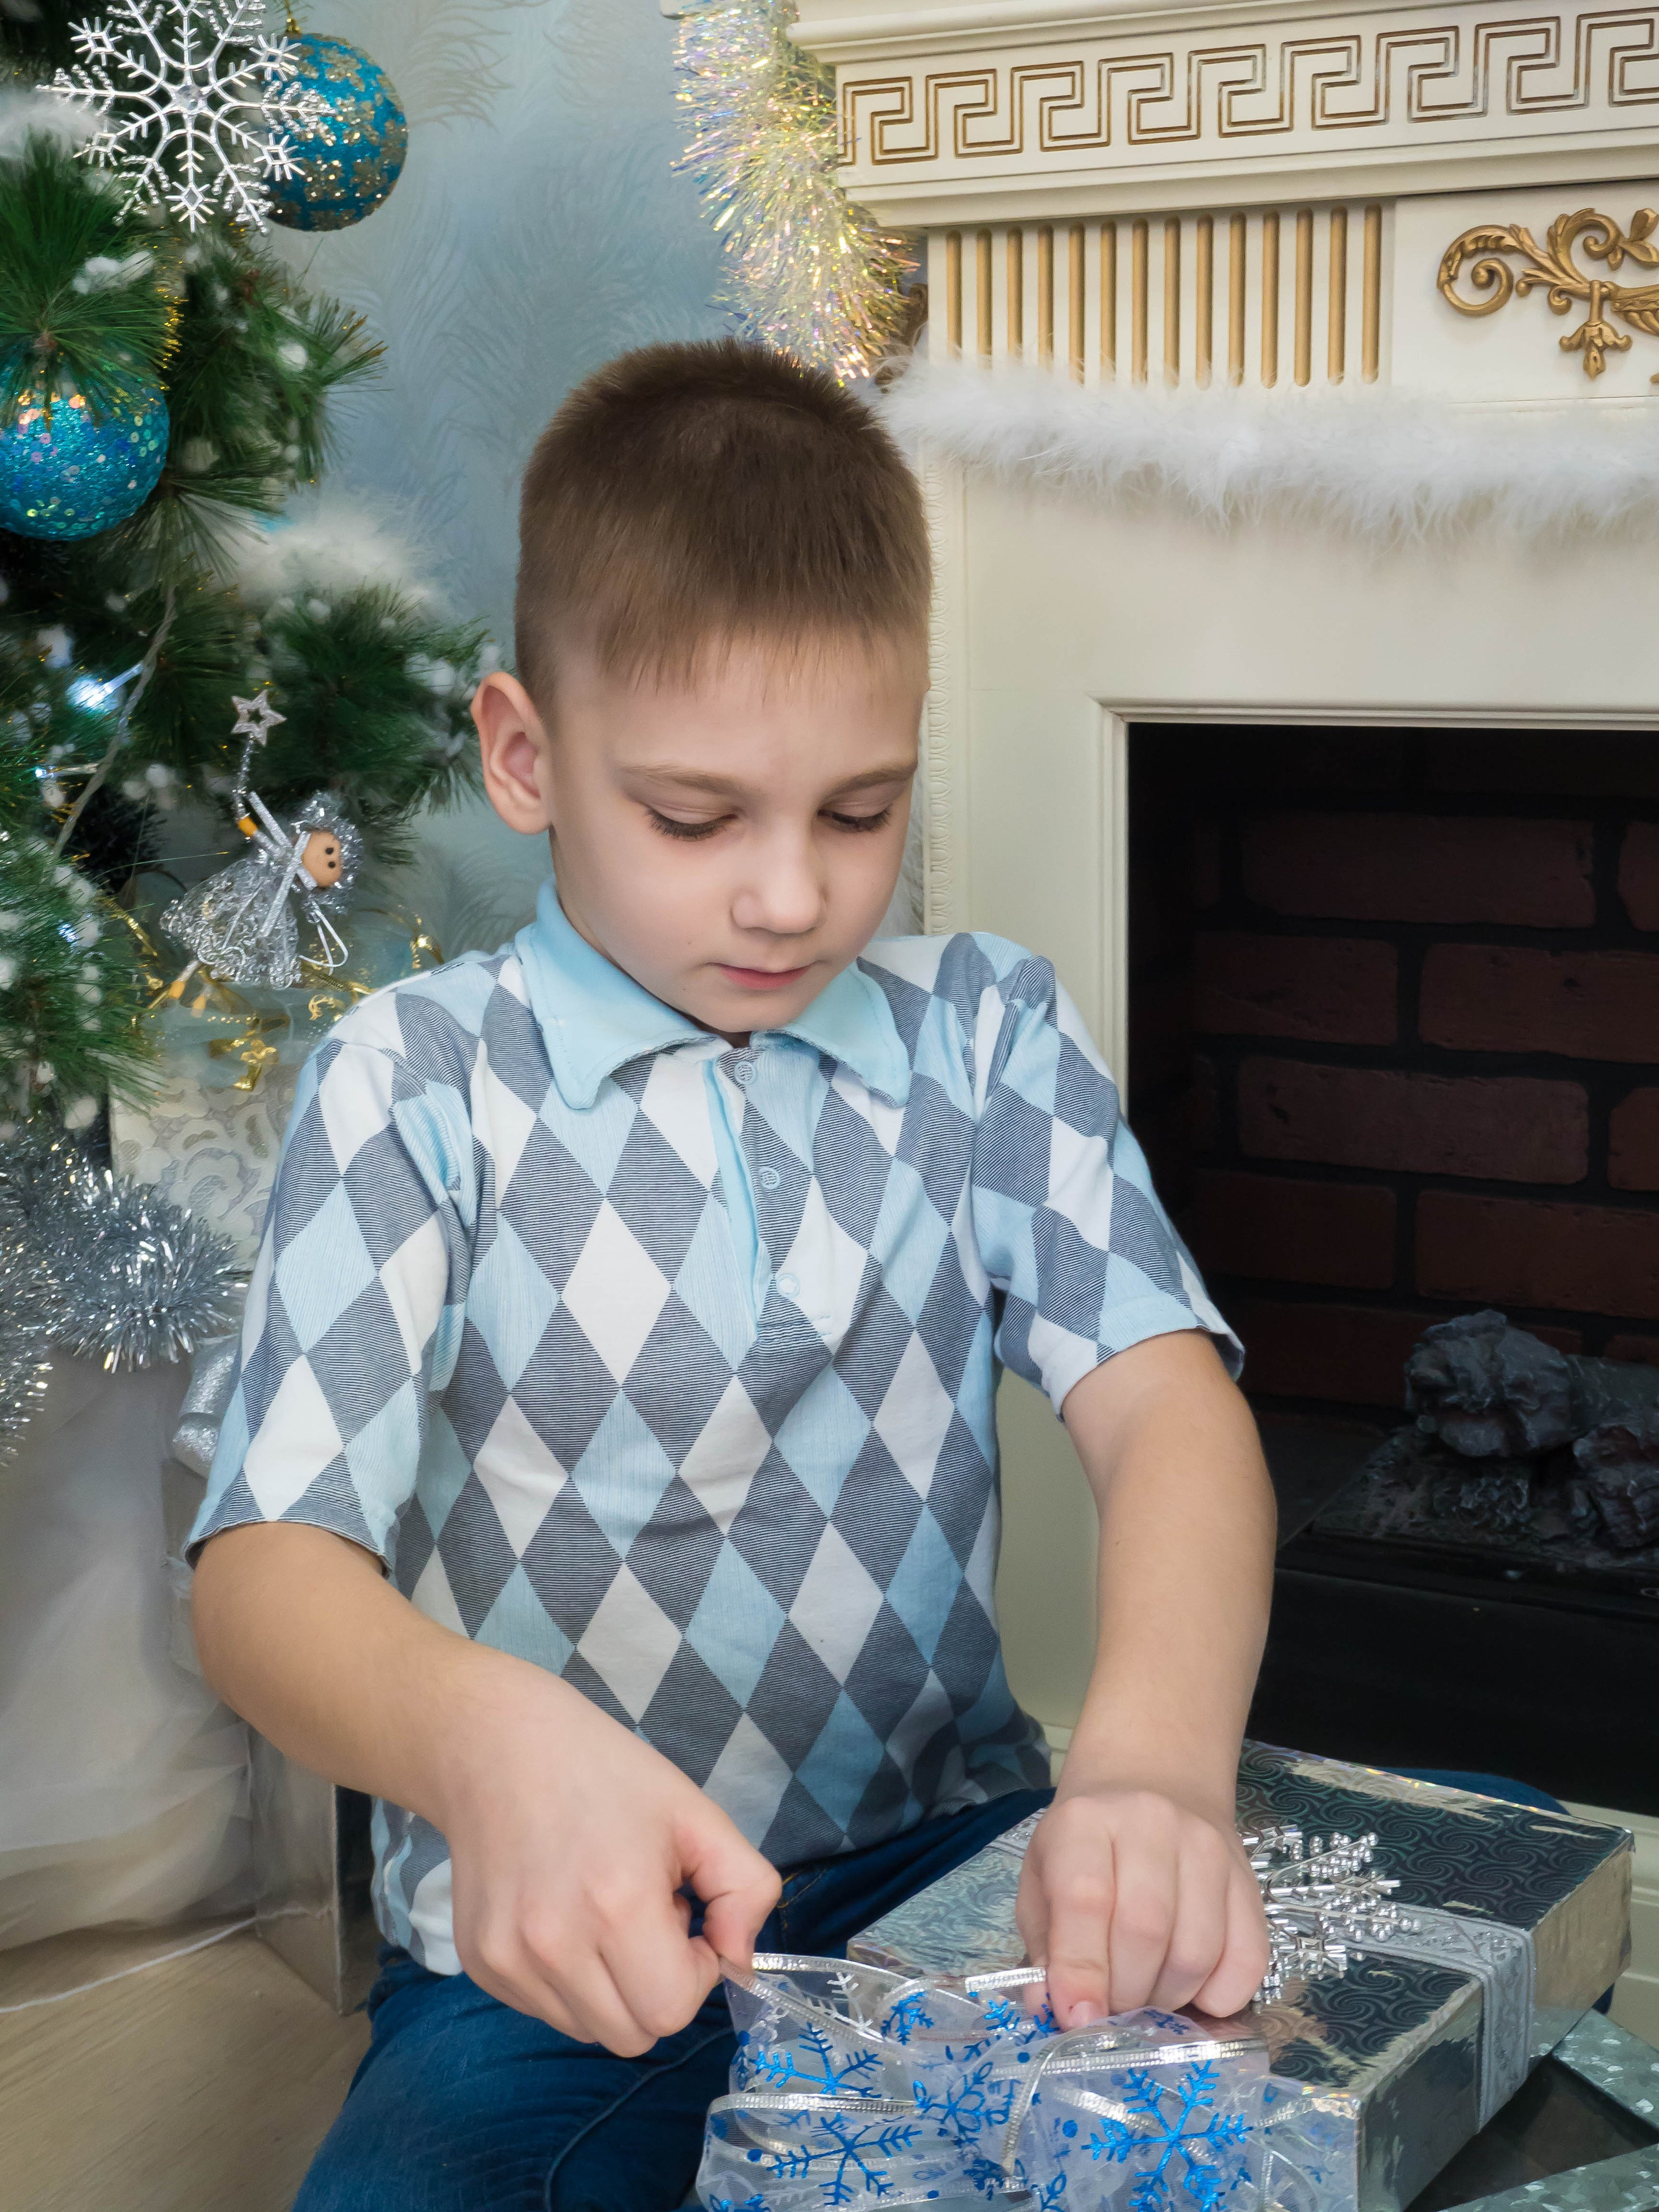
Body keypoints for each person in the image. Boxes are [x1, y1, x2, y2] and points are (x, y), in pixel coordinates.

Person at [189, 340, 1278, 2212]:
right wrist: (483, 1744)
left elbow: (1169, 1408)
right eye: (697, 818)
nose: (794, 896)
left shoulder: (984, 1033)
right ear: (524, 756)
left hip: (956, 1872)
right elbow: (262, 1573)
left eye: (861, 811)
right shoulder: (417, 1081)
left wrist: (1156, 1772)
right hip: (564, 1961)